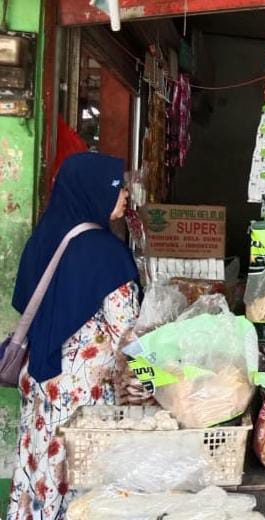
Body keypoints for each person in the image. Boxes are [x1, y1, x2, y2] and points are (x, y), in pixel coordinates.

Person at [8, 152, 140, 519]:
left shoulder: (42, 238)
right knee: (81, 490)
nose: (125, 193)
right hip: (83, 397)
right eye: (117, 186)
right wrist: (156, 379)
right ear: (94, 190)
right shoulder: (108, 253)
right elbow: (128, 334)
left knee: (40, 477)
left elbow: (24, 301)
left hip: (40, 383)